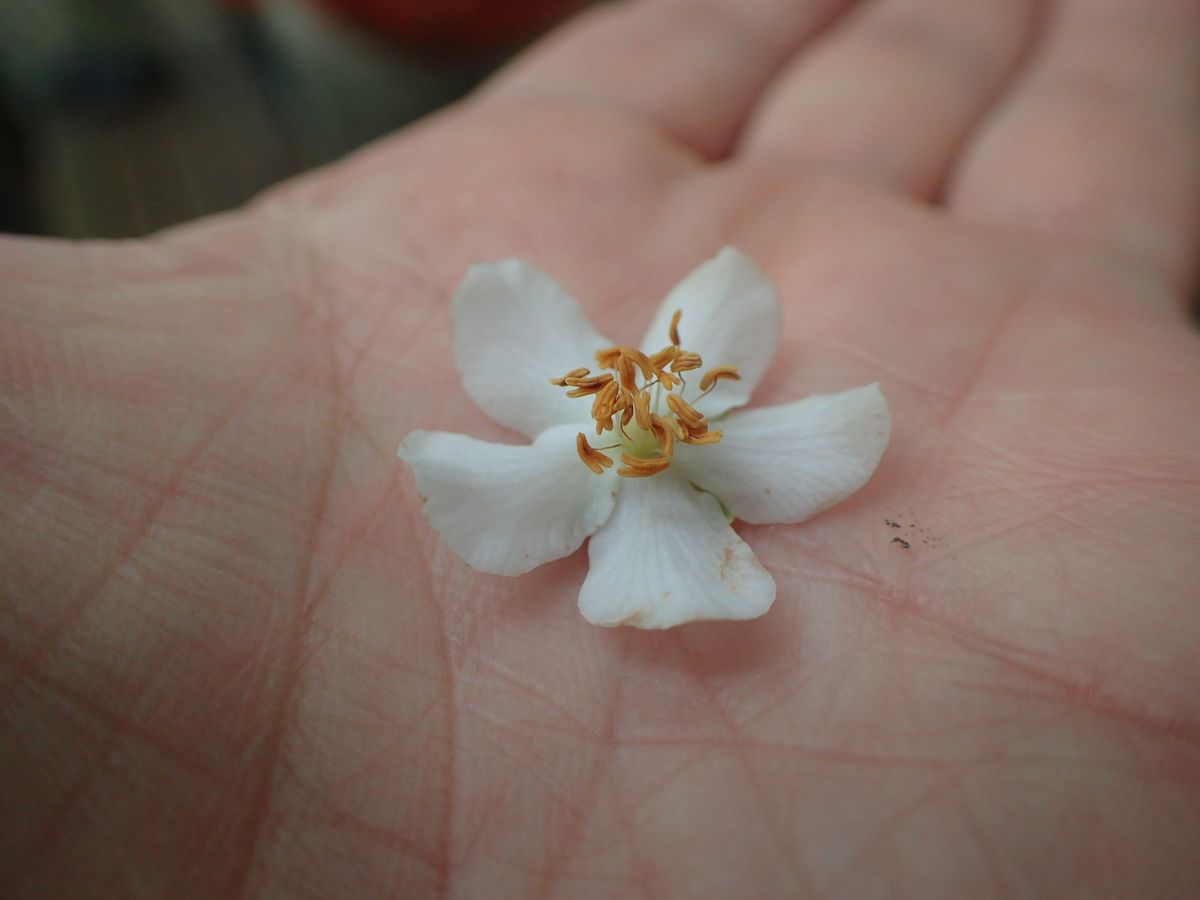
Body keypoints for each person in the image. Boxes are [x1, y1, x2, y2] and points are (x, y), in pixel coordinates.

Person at [1, 0, 1197, 896]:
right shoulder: (548, 448)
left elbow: (782, 388)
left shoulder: (699, 433)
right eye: (634, 407)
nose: (642, 409)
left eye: (652, 406)